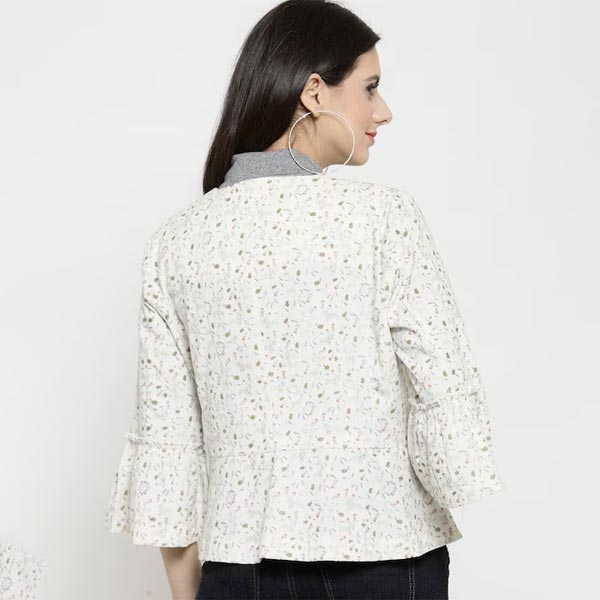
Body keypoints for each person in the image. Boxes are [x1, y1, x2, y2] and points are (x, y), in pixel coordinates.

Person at [105, 1, 506, 599]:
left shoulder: (176, 241)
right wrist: (457, 471)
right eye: (370, 88)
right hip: (385, 556)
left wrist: (190, 590)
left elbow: (169, 438)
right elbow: (442, 385)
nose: (383, 111)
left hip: (239, 566)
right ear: (315, 92)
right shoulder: (383, 217)